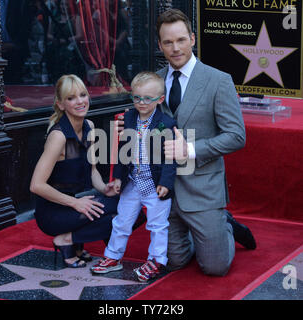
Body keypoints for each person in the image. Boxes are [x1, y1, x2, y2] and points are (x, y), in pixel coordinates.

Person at [116, 9, 256, 277]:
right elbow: (142, 120)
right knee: (175, 262)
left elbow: (237, 136)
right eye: (168, 42)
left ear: (192, 39)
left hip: (202, 187)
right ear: (159, 45)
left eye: (181, 40)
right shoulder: (152, 81)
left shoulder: (218, 80)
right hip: (162, 190)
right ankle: (197, 237)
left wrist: (190, 149)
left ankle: (225, 225)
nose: (175, 48)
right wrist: (129, 127)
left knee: (215, 268)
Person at [91, 72, 177, 282]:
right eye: (137, 97)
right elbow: (123, 150)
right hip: (133, 181)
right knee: (122, 221)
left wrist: (166, 183)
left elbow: (170, 157)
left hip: (154, 183)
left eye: (148, 98)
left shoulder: (165, 123)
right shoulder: (129, 117)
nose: (142, 102)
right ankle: (113, 256)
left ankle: (157, 260)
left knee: (157, 224)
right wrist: (119, 178)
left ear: (160, 99)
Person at [30, 74, 119, 268]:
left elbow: (93, 170)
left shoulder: (90, 127)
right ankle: (66, 240)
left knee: (129, 204)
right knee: (118, 213)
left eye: (83, 95)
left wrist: (104, 189)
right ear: (61, 104)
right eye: (71, 98)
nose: (80, 101)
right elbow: (36, 185)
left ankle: (71, 238)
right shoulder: (59, 136)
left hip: (77, 202)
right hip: (54, 211)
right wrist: (75, 203)